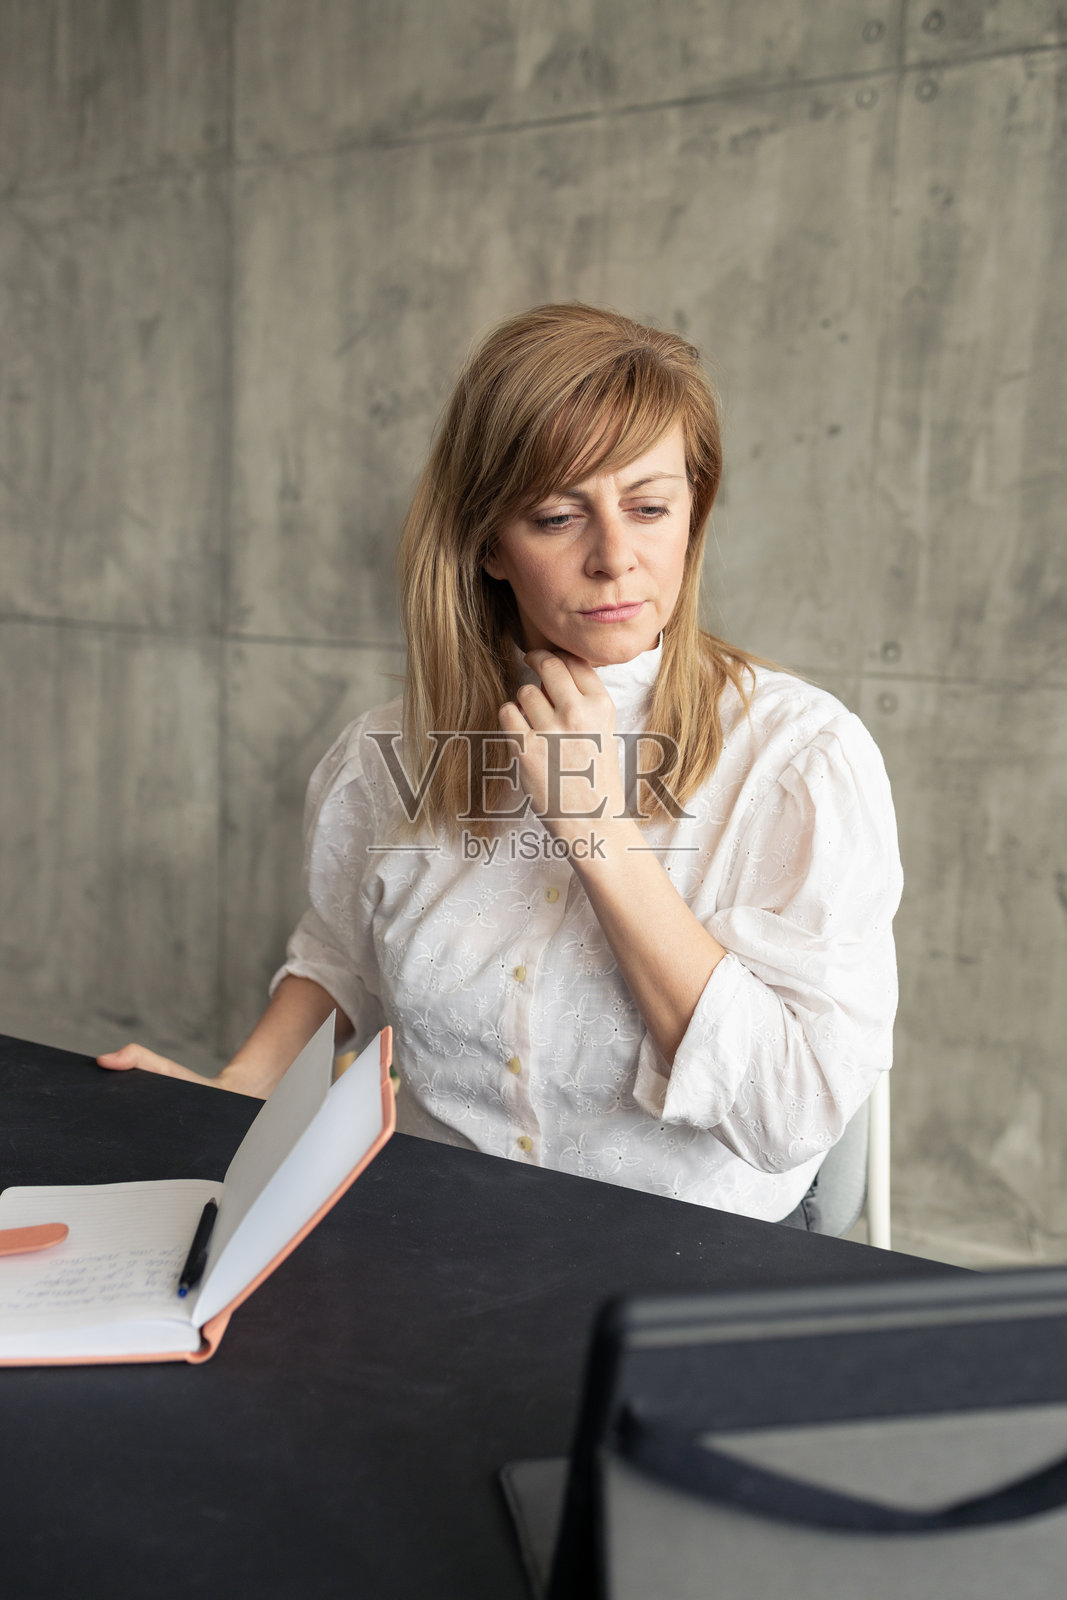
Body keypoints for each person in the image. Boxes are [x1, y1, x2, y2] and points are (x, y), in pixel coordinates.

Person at [99, 303, 902, 1225]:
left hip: (688, 1251)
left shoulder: (800, 759)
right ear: (487, 544)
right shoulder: (385, 756)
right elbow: (342, 956)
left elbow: (790, 1115)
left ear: (694, 510)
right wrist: (234, 1091)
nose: (615, 558)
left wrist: (596, 831)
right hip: (435, 1225)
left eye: (649, 508)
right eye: (557, 516)